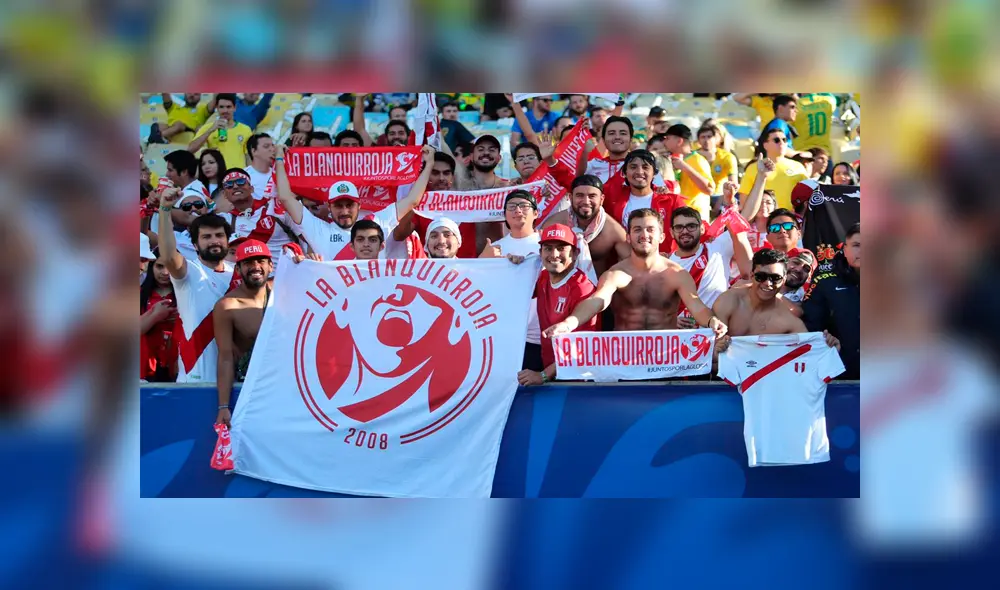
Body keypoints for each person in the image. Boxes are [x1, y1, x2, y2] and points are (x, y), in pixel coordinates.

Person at [543, 208, 728, 337]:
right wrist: (570, 323)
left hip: (666, 359)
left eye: (650, 229)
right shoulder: (616, 274)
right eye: (637, 229)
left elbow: (696, 307)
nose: (644, 235)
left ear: (662, 236)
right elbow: (597, 300)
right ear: (628, 236)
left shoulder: (677, 274)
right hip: (626, 360)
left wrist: (712, 321)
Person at [275, 144, 434, 260]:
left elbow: (412, 200)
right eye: (338, 205)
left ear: (359, 205)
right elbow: (285, 197)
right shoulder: (317, 228)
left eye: (349, 205)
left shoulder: (377, 222)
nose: (344, 211)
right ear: (329, 207)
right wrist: (280, 160)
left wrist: (429, 165)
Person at [157, 188, 234, 383]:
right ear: (195, 244)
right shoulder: (188, 271)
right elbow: (167, 255)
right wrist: (165, 210)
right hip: (195, 378)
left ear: (227, 240)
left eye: (219, 235)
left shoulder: (238, 273)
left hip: (235, 377)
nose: (214, 241)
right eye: (206, 237)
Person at [517, 224, 598, 387]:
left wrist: (543, 376)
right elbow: (512, 293)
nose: (554, 255)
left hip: (577, 381)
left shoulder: (582, 288)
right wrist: (513, 265)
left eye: (561, 248)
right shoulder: (543, 277)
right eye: (548, 248)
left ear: (575, 254)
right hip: (554, 375)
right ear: (540, 253)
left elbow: (582, 347)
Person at [712, 249, 839, 348]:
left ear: (783, 280)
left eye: (775, 278)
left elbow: (811, 354)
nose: (767, 283)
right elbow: (708, 353)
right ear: (752, 275)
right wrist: (717, 354)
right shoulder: (728, 301)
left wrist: (829, 346)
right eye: (761, 276)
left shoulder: (790, 320)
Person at [480, 189, 544, 370]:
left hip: (538, 333)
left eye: (524, 205)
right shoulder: (494, 248)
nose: (518, 210)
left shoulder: (548, 244)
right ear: (504, 215)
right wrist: (482, 261)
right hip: (503, 334)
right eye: (512, 206)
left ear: (536, 213)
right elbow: (474, 286)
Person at [213, 239, 274, 427]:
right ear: (238, 269)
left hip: (282, 387)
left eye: (261, 261)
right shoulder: (227, 306)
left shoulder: (284, 291)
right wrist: (223, 405)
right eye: (248, 262)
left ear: (271, 266)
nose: (255, 267)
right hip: (249, 391)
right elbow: (225, 357)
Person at [668, 207, 751, 326]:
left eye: (691, 226)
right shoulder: (665, 265)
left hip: (715, 332)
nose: (685, 231)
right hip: (681, 336)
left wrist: (758, 186)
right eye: (679, 227)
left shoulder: (718, 247)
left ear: (702, 228)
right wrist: (670, 320)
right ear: (671, 232)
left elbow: (745, 217)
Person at [540, 175, 630, 278]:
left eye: (592, 196)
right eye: (580, 195)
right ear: (570, 198)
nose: (586, 201)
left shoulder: (613, 231)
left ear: (601, 199)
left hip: (597, 290)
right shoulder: (554, 225)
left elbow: (633, 264)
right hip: (560, 288)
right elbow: (537, 259)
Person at [394, 152, 479, 259]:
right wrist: (413, 204)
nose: (441, 178)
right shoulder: (420, 204)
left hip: (467, 270)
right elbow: (399, 235)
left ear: (452, 177)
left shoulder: (469, 202)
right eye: (435, 173)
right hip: (431, 272)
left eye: (446, 173)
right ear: (426, 176)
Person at [803, 223, 859, 379]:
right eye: (856, 245)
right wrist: (824, 337)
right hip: (839, 376)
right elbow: (810, 329)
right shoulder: (825, 283)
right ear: (845, 249)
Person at [601, 150, 685, 253]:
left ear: (654, 173)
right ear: (624, 173)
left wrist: (709, 236)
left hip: (661, 264)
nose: (639, 172)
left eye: (645, 167)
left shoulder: (671, 201)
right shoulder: (612, 199)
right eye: (633, 167)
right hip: (625, 264)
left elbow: (692, 223)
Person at [213, 168, 298, 267]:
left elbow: (305, 237)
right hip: (255, 278)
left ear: (251, 188)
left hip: (290, 275)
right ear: (224, 194)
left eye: (241, 181)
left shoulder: (275, 207)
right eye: (229, 184)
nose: (235, 186)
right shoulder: (225, 220)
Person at [737, 128, 808, 210]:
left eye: (784, 140)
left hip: (792, 218)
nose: (781, 143)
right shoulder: (753, 168)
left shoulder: (798, 166)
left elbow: (807, 195)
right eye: (777, 140)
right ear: (765, 145)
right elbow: (744, 200)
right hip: (765, 218)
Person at [140, 251, 180, 382]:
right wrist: (155, 315)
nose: (165, 272)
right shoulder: (139, 293)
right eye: (160, 266)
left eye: (170, 266)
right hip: (147, 362)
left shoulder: (186, 292)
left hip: (178, 362)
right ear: (151, 267)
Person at [662, 124, 715, 220]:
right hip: (677, 217)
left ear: (679, 141)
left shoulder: (697, 159)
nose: (664, 141)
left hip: (695, 218)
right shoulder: (669, 159)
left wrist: (684, 167)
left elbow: (709, 189)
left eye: (667, 138)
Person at [188, 93, 253, 169]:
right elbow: (190, 150)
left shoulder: (245, 129)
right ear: (217, 108)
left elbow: (248, 156)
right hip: (217, 177)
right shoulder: (208, 128)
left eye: (229, 107)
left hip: (237, 177)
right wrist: (211, 130)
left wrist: (250, 175)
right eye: (221, 107)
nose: (225, 110)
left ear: (235, 108)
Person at [696, 122, 738, 189]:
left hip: (720, 195)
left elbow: (733, 182)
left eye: (709, 137)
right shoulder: (693, 156)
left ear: (715, 139)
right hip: (700, 195)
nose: (706, 140)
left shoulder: (727, 157)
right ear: (698, 141)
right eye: (703, 137)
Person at [243, 133, 276, 199]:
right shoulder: (244, 176)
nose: (272, 149)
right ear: (254, 151)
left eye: (273, 146)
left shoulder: (279, 173)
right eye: (266, 146)